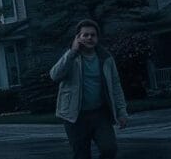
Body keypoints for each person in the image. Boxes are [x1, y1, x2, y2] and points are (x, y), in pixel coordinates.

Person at [49, 19, 129, 159]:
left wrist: (122, 112)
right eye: (85, 35)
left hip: (100, 114)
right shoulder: (71, 57)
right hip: (75, 117)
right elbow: (54, 75)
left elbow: (116, 86)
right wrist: (72, 52)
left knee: (109, 149)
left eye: (93, 35)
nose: (89, 38)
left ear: (97, 38)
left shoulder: (106, 59)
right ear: (77, 38)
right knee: (81, 155)